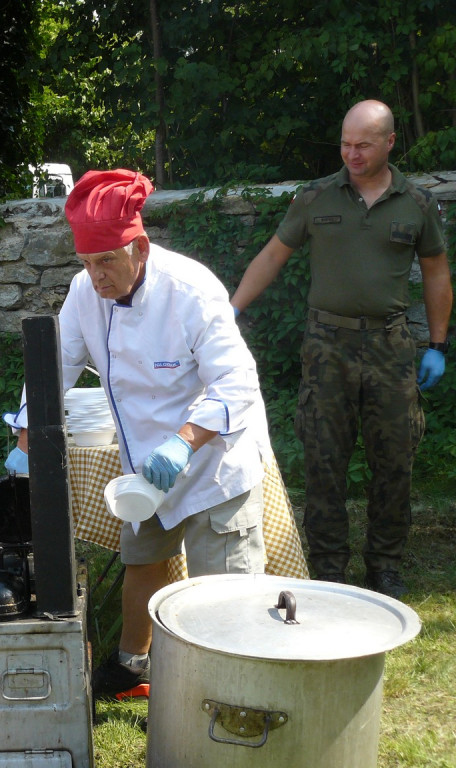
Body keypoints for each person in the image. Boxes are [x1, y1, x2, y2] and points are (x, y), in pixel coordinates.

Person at [6, 169, 270, 697]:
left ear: (141, 247)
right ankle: (133, 666)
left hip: (211, 457)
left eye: (107, 260)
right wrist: (26, 425)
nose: (96, 276)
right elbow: (55, 364)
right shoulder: (85, 292)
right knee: (142, 559)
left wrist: (185, 440)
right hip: (144, 464)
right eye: (85, 262)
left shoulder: (191, 291)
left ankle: (231, 686)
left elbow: (237, 379)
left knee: (222, 587)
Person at [231, 100, 452, 599]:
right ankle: (329, 568)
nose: (351, 154)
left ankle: (385, 566)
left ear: (389, 143)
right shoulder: (316, 197)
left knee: (394, 459)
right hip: (326, 345)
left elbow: (437, 271)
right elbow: (272, 254)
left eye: (363, 145)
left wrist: (438, 344)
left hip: (390, 346)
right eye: (345, 144)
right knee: (324, 457)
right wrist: (233, 311)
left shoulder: (414, 204)